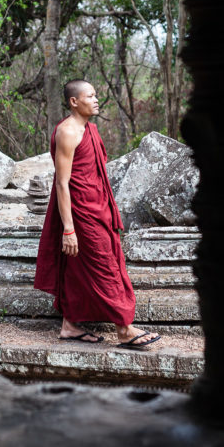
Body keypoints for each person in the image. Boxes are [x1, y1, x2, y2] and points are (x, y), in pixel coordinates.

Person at [33, 80, 161, 350]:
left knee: (78, 269)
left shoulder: (89, 129)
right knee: (106, 268)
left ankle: (69, 326)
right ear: (74, 102)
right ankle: (124, 329)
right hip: (82, 213)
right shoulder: (67, 132)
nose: (96, 99)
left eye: (95, 95)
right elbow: (62, 183)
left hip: (98, 207)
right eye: (89, 96)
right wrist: (68, 229)